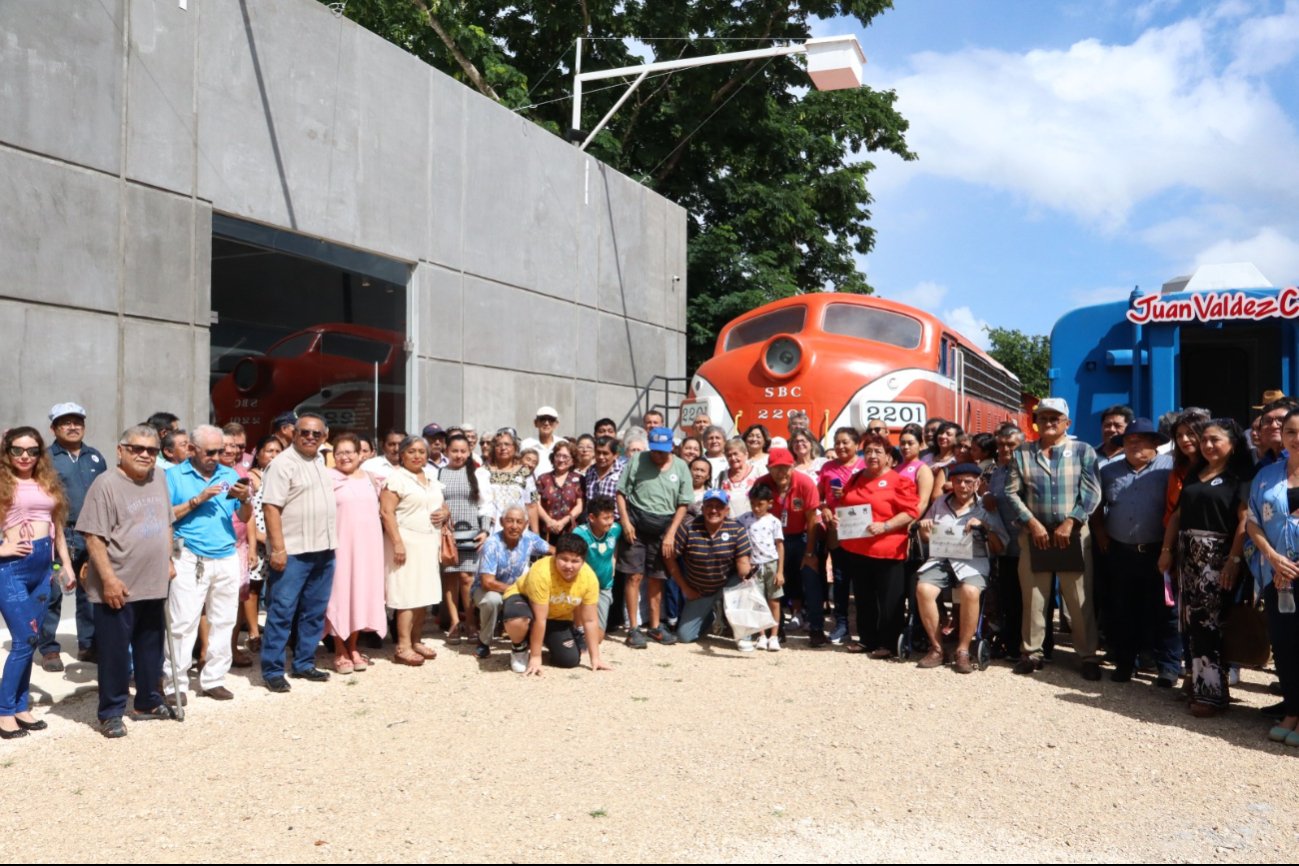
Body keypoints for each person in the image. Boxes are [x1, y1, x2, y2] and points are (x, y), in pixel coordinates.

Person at [78, 425, 176, 738]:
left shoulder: (159, 477)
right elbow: (93, 536)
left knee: (151, 649)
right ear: (121, 451)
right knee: (115, 654)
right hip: (118, 585)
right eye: (137, 449)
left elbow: (166, 522)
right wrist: (107, 580)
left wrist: (169, 558)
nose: (145, 455)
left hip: (153, 580)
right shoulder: (105, 484)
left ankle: (147, 701)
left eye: (152, 450)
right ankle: (111, 712)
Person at [1001, 398, 1102, 680]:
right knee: (1034, 596)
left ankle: (1088, 655)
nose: (1048, 422)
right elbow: (1011, 492)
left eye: (1055, 418)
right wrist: (1031, 523)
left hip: (1073, 532)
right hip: (1035, 533)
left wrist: (1072, 521)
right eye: (1043, 417)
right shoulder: (1022, 453)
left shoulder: (1083, 450)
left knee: (1079, 597)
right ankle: (1031, 653)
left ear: (1066, 423)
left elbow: (1092, 492)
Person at [1159, 418, 1251, 717]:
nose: (1208, 445)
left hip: (1217, 558)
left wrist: (1234, 561)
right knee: (1193, 623)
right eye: (1205, 440)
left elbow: (1243, 522)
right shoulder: (1196, 473)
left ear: (1232, 445)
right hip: (1188, 558)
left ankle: (1210, 694)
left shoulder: (1240, 478)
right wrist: (1167, 550)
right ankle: (1204, 687)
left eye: (1216, 440)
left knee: (1209, 624)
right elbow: (1177, 516)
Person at [163, 425, 250, 704]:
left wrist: (246, 499)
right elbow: (165, 515)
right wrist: (199, 499)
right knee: (182, 622)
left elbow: (245, 516)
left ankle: (214, 678)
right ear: (192, 450)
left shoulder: (229, 473)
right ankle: (174, 682)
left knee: (224, 620)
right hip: (189, 555)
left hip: (226, 553)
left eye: (221, 451)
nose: (217, 457)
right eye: (210, 452)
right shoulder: (173, 476)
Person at [0, 427, 73, 738]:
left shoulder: (47, 481)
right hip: (11, 569)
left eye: (32, 450)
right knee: (22, 641)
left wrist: (66, 566)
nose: (25, 456)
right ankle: (4, 711)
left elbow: (57, 525)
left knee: (31, 641)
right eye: (17, 450)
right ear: (7, 452)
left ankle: (20, 705)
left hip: (43, 569)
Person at [1094, 419, 1179, 686]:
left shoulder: (1170, 469)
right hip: (1121, 552)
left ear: (1155, 442)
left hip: (1160, 551)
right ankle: (1125, 662)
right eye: (1128, 440)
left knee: (1165, 611)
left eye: (1141, 439)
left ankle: (1168, 667)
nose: (1133, 444)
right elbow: (1096, 506)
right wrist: (1101, 535)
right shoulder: (1109, 471)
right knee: (1122, 609)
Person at [258, 413, 337, 693]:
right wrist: (278, 549)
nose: (310, 437)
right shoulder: (282, 465)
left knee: (314, 611)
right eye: (304, 432)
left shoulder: (319, 461)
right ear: (293, 433)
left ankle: (304, 662)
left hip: (323, 550)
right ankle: (273, 669)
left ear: (324, 436)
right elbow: (271, 508)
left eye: (316, 434)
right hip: (292, 552)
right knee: (281, 611)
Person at [827, 432, 919, 657]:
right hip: (857, 549)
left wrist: (886, 526)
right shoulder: (856, 478)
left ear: (889, 457)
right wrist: (839, 518)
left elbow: (910, 511)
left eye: (878, 451)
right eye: (868, 451)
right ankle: (867, 640)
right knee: (863, 597)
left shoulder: (900, 481)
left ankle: (888, 644)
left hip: (888, 549)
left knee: (889, 600)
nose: (872, 456)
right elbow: (845, 503)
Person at [914, 463, 1008, 673]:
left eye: (968, 482)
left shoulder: (986, 506)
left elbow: (999, 545)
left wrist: (985, 527)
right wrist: (925, 528)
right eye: (958, 481)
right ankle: (937, 648)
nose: (962, 486)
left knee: (970, 591)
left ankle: (963, 650)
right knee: (924, 589)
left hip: (974, 560)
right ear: (952, 483)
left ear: (977, 484)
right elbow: (926, 537)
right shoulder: (940, 502)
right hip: (943, 558)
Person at [1245, 408, 1299, 744]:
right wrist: (1275, 558)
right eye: (1291, 431)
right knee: (1285, 645)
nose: (1297, 438)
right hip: (1276, 574)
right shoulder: (1267, 476)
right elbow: (1252, 522)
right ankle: (1292, 710)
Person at [40, 402, 107, 671]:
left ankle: (88, 644)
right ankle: (48, 648)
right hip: (58, 533)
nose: (72, 426)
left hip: (91, 533)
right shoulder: (45, 458)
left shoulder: (94, 457)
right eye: (65, 422)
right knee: (53, 590)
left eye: (77, 421)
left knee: (89, 589)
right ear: (54, 428)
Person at [616, 427, 692, 648]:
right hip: (637, 524)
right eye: (656, 451)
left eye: (663, 451)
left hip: (664, 526)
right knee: (634, 576)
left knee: (657, 577)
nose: (659, 456)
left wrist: (670, 534)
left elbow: (683, 504)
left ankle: (655, 627)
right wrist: (626, 522)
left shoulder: (680, 466)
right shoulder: (638, 460)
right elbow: (621, 492)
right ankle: (633, 628)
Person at [501, 534, 611, 674]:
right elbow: (539, 619)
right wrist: (535, 657)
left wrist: (595, 658)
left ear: (583, 561)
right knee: (517, 620)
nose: (569, 566)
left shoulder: (590, 579)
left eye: (575, 561)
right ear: (555, 556)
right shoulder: (541, 572)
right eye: (564, 559)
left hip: (556, 616)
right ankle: (519, 647)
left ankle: (543, 640)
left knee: (569, 660)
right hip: (524, 600)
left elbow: (590, 620)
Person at [379, 435, 445, 667]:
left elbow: (440, 503)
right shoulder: (396, 479)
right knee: (406, 595)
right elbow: (386, 512)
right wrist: (397, 542)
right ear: (402, 454)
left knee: (423, 594)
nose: (417, 455)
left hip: (429, 542)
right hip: (406, 542)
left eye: (421, 452)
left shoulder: (431, 478)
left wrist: (445, 513)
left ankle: (417, 640)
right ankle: (403, 646)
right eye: (411, 451)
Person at [325, 433, 386, 674]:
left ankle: (353, 647)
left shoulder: (373, 479)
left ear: (361, 454)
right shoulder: (327, 479)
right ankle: (339, 650)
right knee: (340, 596)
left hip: (368, 549)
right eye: (339, 452)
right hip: (340, 547)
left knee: (361, 595)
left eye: (350, 451)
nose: (345, 457)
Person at [665, 489, 753, 646]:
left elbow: (743, 561)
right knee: (685, 637)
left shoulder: (737, 529)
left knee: (745, 585)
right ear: (703, 508)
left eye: (719, 506)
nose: (714, 510)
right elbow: (670, 558)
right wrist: (685, 588)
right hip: (700, 590)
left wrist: (746, 571)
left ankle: (744, 635)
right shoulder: (688, 527)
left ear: (727, 510)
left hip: (728, 585)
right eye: (709, 506)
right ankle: (710, 615)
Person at [758, 447, 822, 644]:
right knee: (773, 582)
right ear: (768, 468)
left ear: (793, 466)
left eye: (785, 467)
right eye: (776, 468)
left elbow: (812, 520)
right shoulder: (763, 484)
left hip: (802, 536)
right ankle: (775, 627)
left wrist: (810, 552)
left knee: (811, 579)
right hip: (773, 540)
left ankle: (816, 627)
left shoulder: (805, 483)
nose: (781, 472)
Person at [472, 506, 551, 659]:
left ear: (525, 524)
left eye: (519, 522)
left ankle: (530, 640)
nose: (514, 526)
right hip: (489, 589)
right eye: (510, 521)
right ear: (502, 522)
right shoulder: (492, 544)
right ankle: (484, 642)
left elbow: (552, 550)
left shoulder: (529, 538)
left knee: (539, 595)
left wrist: (564, 559)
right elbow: (487, 583)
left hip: (513, 589)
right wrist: (517, 589)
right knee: (492, 601)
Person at [439, 433, 493, 646]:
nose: (459, 455)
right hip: (447, 533)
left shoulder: (478, 474)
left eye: (463, 451)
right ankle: (454, 623)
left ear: (469, 452)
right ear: (446, 452)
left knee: (467, 579)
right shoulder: (439, 473)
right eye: (454, 451)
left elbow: (486, 504)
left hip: (471, 532)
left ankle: (471, 622)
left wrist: (485, 530)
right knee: (450, 577)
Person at [818, 427, 865, 641]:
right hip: (836, 529)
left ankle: (864, 625)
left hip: (861, 529)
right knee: (840, 577)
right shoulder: (827, 467)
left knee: (863, 578)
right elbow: (819, 497)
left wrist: (848, 493)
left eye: (845, 442)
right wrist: (825, 509)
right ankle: (841, 623)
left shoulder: (865, 465)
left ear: (857, 444)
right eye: (837, 442)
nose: (840, 446)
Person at [986, 425, 1027, 658]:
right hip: (1004, 546)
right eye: (1001, 444)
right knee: (1009, 597)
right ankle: (1011, 645)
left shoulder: (1028, 468)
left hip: (1026, 543)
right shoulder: (998, 471)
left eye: (1010, 444)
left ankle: (1035, 647)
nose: (1004, 449)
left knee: (1027, 599)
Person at [739, 484, 784, 651]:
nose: (756, 508)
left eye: (760, 504)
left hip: (771, 564)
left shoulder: (774, 521)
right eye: (753, 504)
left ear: (770, 503)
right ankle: (761, 635)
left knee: (774, 600)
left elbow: (780, 546)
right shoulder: (743, 519)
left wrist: (780, 571)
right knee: (758, 601)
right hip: (753, 566)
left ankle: (774, 635)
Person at [573, 496, 622, 638]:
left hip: (604, 586)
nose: (610, 522)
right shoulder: (580, 534)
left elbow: (615, 549)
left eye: (612, 517)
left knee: (598, 637)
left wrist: (613, 566)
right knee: (581, 632)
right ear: (592, 518)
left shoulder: (616, 530)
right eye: (606, 518)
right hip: (582, 587)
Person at [486, 428, 539, 534]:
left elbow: (532, 505)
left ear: (515, 448)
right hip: (490, 529)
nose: (503, 448)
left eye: (507, 444)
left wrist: (535, 534)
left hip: (517, 530)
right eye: (498, 445)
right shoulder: (484, 472)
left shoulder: (525, 473)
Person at [536, 440, 585, 541]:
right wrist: (549, 521)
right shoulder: (542, 479)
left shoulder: (579, 479)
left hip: (570, 531)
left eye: (565, 457)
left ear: (573, 461)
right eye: (558, 456)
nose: (561, 460)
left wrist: (563, 522)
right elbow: (536, 504)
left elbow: (580, 506)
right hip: (546, 532)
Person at [718, 437, 760, 518]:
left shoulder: (757, 472)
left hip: (753, 523)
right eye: (729, 455)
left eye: (735, 454)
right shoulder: (722, 476)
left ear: (746, 454)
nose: (733, 458)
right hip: (730, 525)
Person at [584, 436, 624, 521]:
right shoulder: (590, 471)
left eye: (605, 453)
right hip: (592, 523)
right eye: (598, 453)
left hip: (615, 523)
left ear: (615, 455)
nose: (601, 457)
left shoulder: (622, 472)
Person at [532, 406, 561, 475]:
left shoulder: (563, 444)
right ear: (535, 423)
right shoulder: (526, 444)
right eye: (542, 419)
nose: (546, 423)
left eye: (551, 420)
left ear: (556, 424)